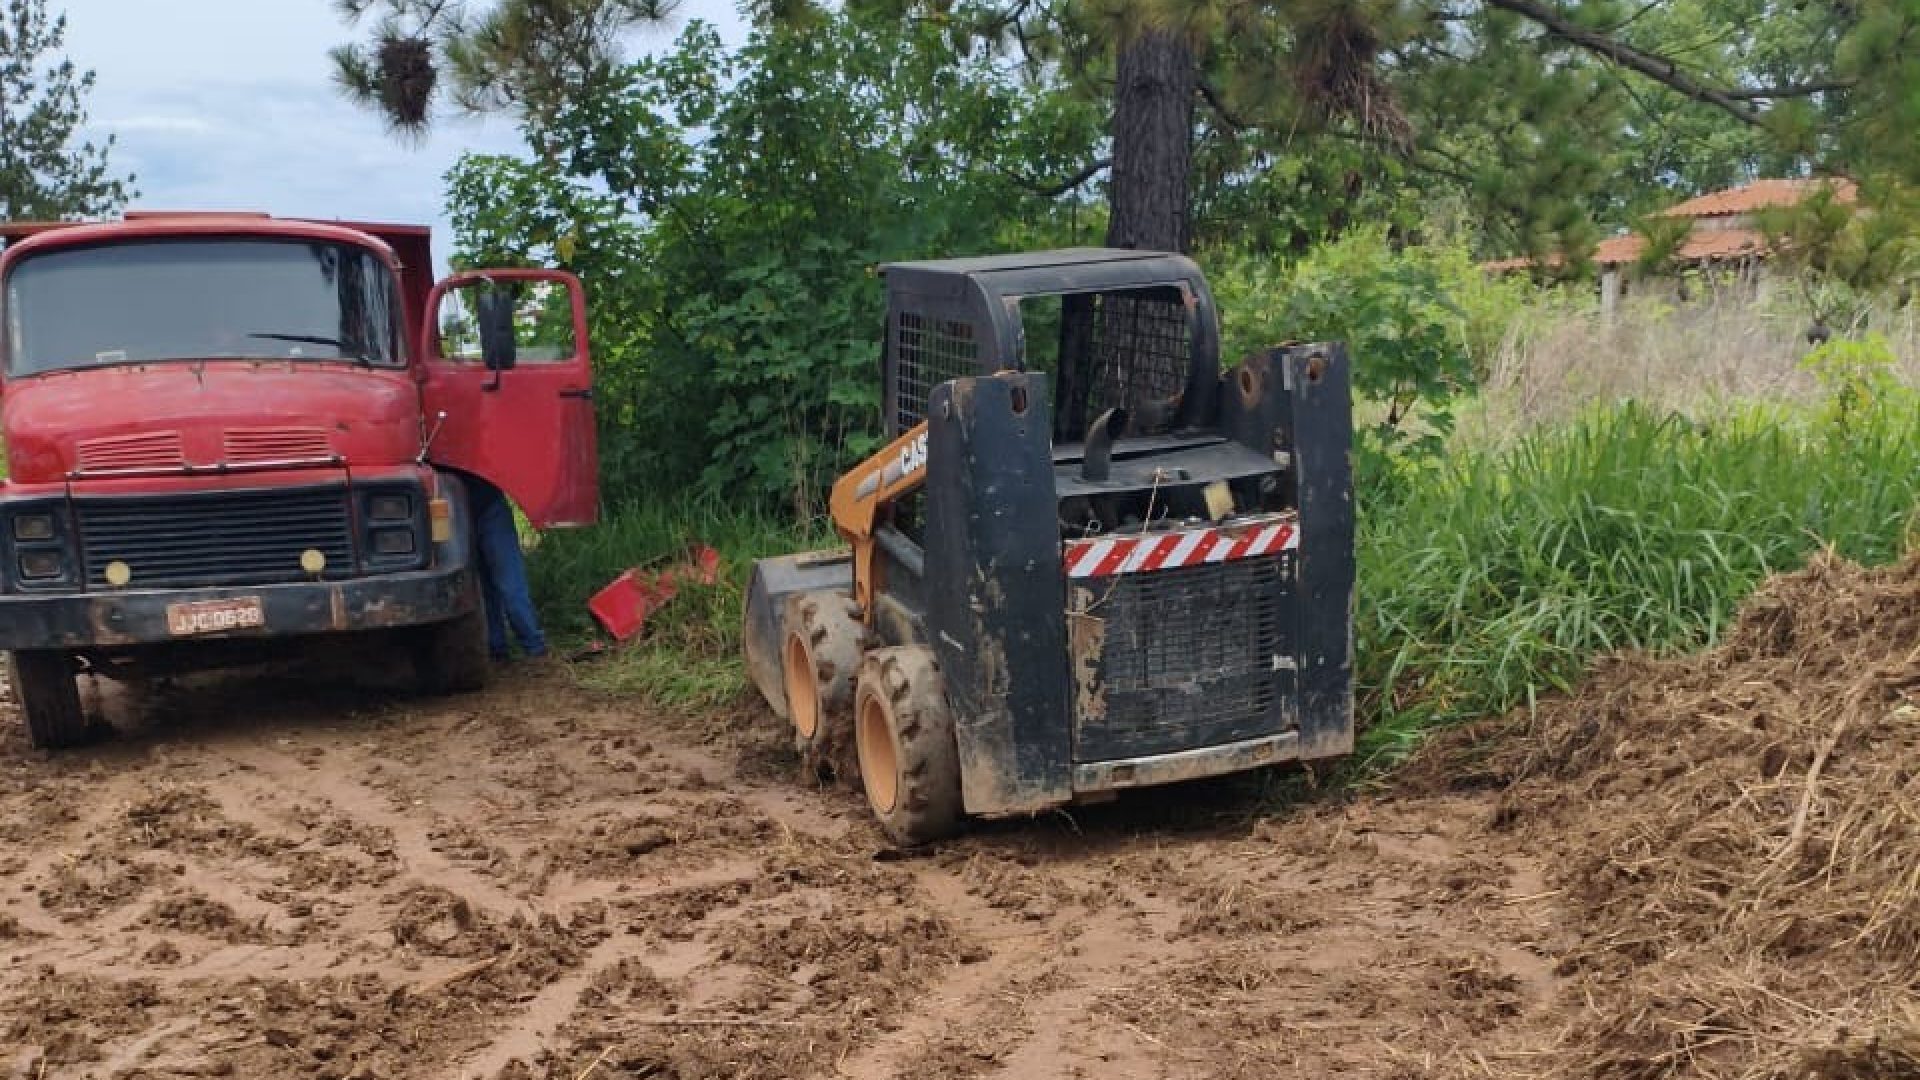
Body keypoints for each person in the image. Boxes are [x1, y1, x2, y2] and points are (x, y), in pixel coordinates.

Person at [465, 474, 548, 661]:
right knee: (486, 586)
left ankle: (533, 646)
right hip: (461, 509)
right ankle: (498, 648)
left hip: (486, 507)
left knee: (509, 586)